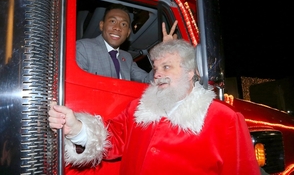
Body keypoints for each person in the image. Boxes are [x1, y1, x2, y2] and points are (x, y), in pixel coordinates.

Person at [49, 39, 260, 175]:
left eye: (166, 67)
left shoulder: (224, 117)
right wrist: (76, 128)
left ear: (190, 72)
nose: (157, 74)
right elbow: (109, 139)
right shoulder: (138, 109)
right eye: (156, 68)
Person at [76, 3, 177, 83]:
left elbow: (147, 80)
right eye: (112, 21)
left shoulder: (127, 58)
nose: (117, 28)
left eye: (123, 24)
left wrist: (165, 52)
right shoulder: (83, 47)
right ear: (102, 25)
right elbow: (77, 83)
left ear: (128, 32)